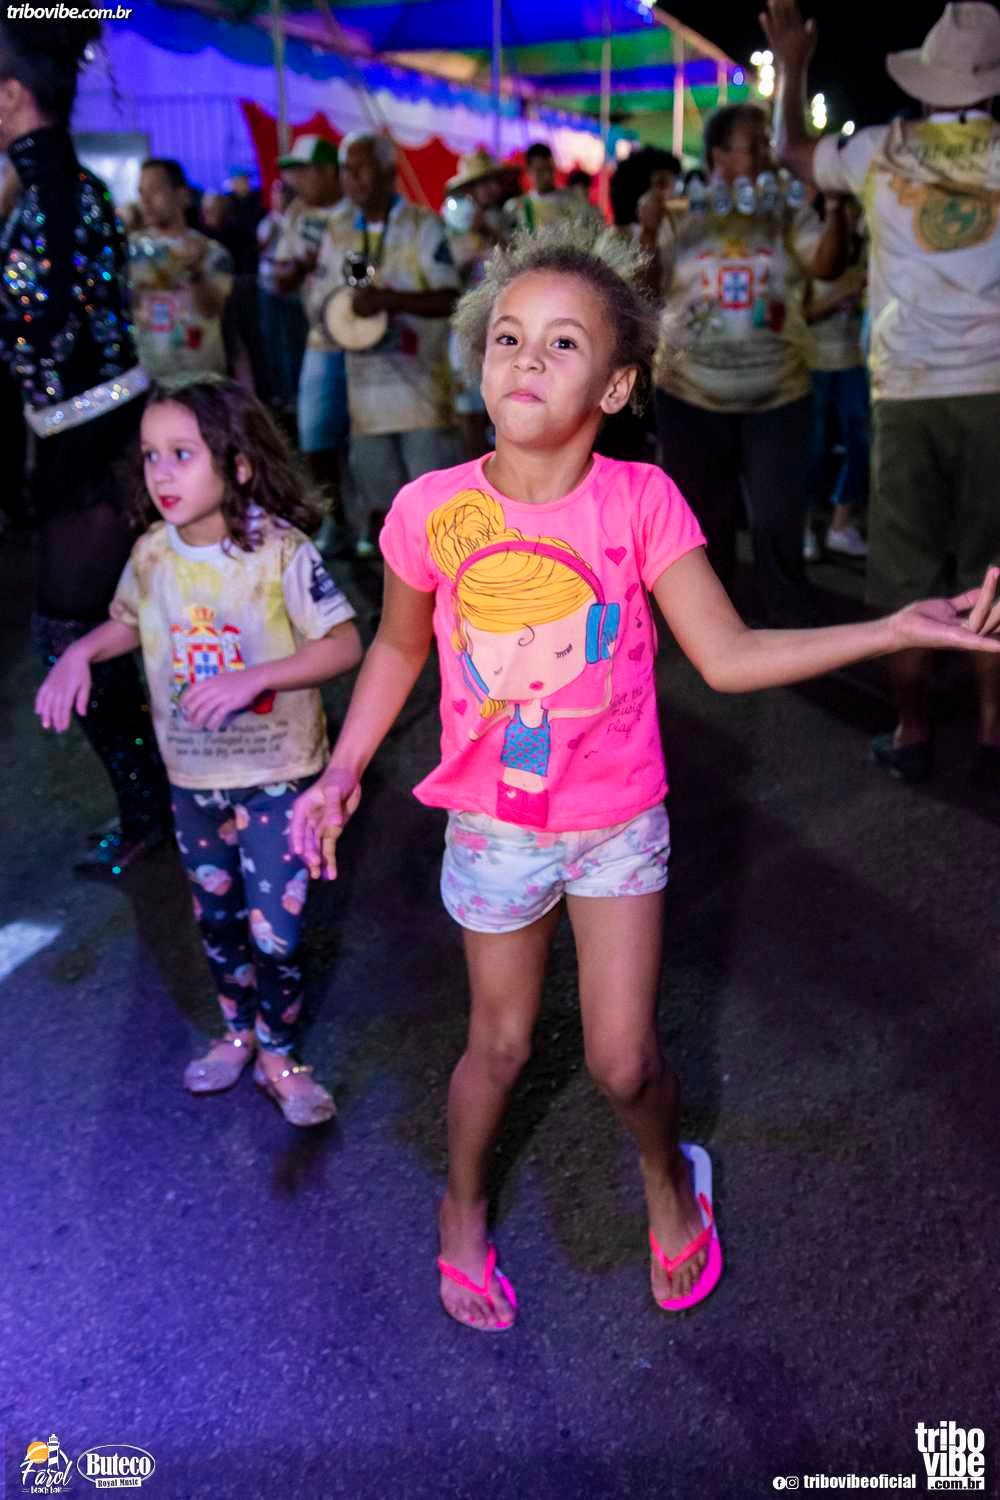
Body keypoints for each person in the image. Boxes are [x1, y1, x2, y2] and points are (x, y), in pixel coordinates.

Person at [288, 222, 1000, 1331]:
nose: (526, 358)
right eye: (508, 336)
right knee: (498, 1046)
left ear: (616, 386)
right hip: (493, 825)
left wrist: (889, 627)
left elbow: (728, 655)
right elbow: (397, 647)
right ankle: (461, 1205)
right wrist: (342, 769)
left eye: (562, 343)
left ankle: (670, 1177)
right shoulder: (431, 511)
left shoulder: (641, 502)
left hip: (617, 821)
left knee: (623, 1061)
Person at [35, 375, 364, 1123]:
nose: (161, 472)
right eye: (151, 455)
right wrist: (80, 652)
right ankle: (237, 1034)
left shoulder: (279, 553)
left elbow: (343, 644)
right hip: (192, 778)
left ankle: (281, 1055)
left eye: (182, 454)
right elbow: (129, 621)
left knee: (274, 932)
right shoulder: (152, 554)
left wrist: (258, 676)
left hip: (278, 775)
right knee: (216, 920)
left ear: (238, 464)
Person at [764, 0, 1000, 782]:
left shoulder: (878, 151)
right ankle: (992, 733)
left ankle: (913, 730)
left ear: (928, 82)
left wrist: (792, 65)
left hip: (908, 388)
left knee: (905, 571)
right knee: (992, 567)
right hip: (995, 387)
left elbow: (791, 151)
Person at [0, 17, 171, 877]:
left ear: (10, 95)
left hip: (97, 446)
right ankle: (161, 804)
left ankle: (152, 810)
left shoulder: (52, 194)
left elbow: (32, 325)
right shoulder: (56, 187)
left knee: (75, 635)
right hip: (90, 437)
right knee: (108, 628)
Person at [644, 103, 853, 624]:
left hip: (778, 394)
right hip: (690, 394)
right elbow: (645, 288)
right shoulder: (680, 209)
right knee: (702, 520)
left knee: (779, 517)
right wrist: (646, 230)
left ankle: (787, 621)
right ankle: (711, 625)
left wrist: (834, 208)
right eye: (752, 144)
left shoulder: (787, 209)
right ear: (718, 154)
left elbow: (826, 264)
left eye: (765, 143)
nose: (765, 153)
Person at [314, 131, 463, 558]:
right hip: (365, 398)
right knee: (386, 511)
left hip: (422, 397)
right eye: (346, 169)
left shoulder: (422, 225)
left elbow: (450, 298)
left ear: (387, 171)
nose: (351, 178)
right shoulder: (338, 230)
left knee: (435, 514)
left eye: (360, 168)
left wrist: (389, 301)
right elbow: (322, 301)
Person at [271, 135, 350, 554]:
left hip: (369, 344)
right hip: (321, 339)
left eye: (303, 172)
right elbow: (281, 278)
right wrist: (299, 267)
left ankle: (372, 522)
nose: (296, 181)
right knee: (315, 432)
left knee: (365, 440)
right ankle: (334, 520)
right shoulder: (298, 216)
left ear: (328, 171)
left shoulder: (357, 212)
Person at [804, 194, 870, 562]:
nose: (850, 216)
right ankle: (804, 527)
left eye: (853, 209)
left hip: (853, 361)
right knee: (810, 453)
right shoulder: (811, 248)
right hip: (812, 363)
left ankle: (841, 524)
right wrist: (843, 296)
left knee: (862, 445)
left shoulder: (864, 252)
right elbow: (800, 313)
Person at [130, 159, 234, 382]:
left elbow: (212, 309)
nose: (145, 200)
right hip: (145, 379)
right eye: (141, 192)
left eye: (155, 190)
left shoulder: (212, 253)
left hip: (199, 379)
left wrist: (195, 272)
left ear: (182, 195)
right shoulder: (128, 252)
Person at [442, 148, 508, 459]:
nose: (491, 189)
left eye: (492, 182)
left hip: (501, 322)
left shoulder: (503, 220)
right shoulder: (451, 226)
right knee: (470, 405)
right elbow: (447, 277)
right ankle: (474, 466)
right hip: (466, 326)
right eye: (484, 183)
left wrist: (488, 232)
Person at [257, 176, 309, 423]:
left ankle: (294, 394)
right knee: (272, 339)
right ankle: (279, 393)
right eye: (276, 194)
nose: (280, 199)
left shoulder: (299, 221)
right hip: (268, 288)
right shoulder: (268, 222)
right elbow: (260, 247)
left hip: (294, 291)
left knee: (294, 340)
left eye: (284, 194)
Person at [504, 141, 602, 235]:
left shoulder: (574, 201)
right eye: (540, 171)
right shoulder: (517, 208)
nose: (547, 176)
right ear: (528, 171)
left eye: (550, 169)